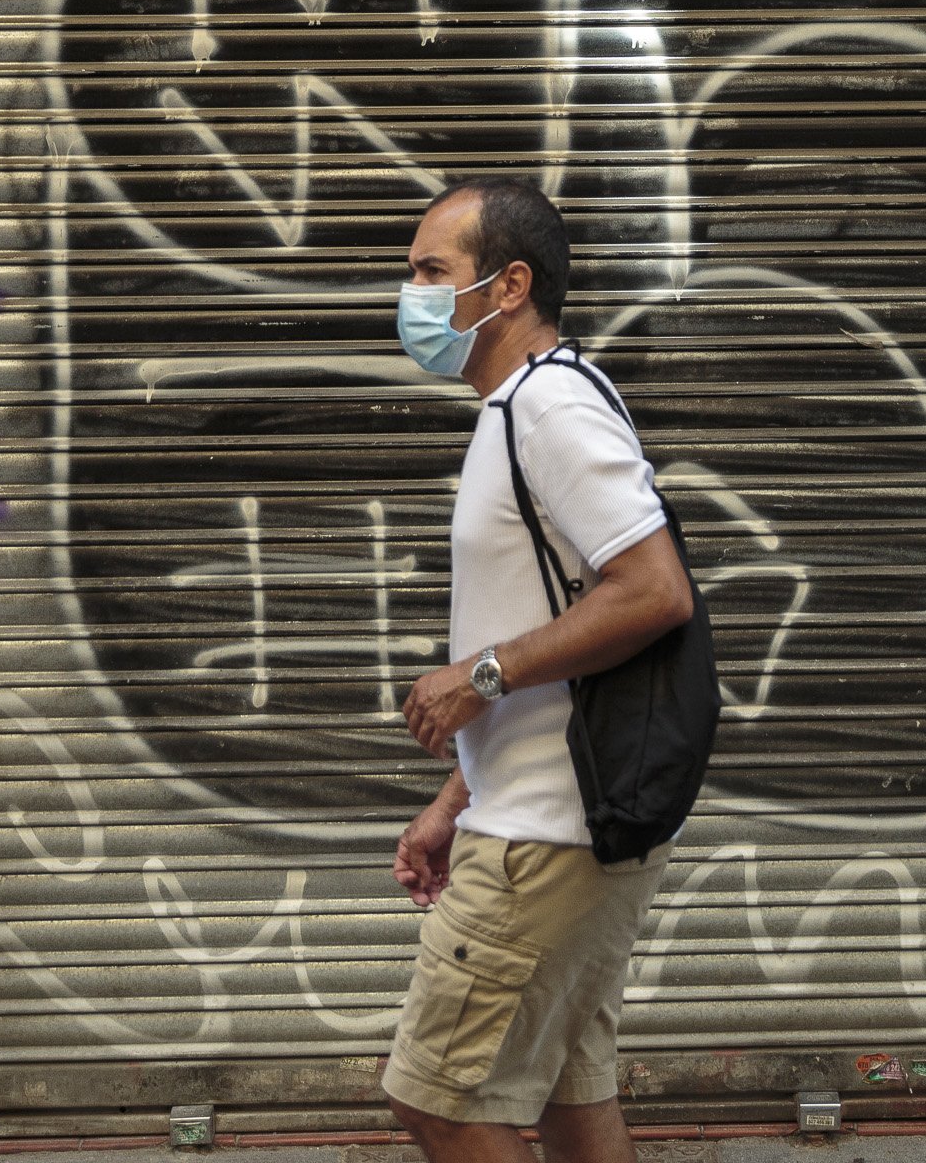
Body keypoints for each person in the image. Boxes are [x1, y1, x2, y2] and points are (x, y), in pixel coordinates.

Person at [385, 180, 698, 1163]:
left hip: (544, 840)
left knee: (439, 1102)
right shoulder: (521, 407)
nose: (413, 294)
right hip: (544, 813)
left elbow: (653, 590)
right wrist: (455, 792)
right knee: (567, 1092)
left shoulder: (549, 404)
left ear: (508, 283)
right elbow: (552, 625)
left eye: (432, 270)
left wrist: (475, 673)